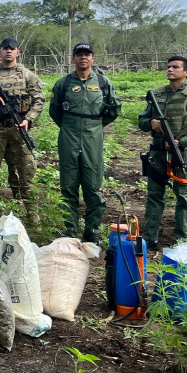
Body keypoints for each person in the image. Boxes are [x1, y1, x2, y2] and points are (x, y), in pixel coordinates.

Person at [138, 56, 187, 250]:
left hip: (183, 154)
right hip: (157, 153)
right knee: (154, 196)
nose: (170, 69)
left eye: (175, 67)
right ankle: (149, 238)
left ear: (186, 72)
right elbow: (142, 120)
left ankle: (182, 240)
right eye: (169, 66)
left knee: (184, 197)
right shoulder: (156, 94)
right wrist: (151, 123)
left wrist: (182, 142)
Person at [48, 43, 121, 242]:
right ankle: (70, 229)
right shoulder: (63, 83)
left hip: (93, 135)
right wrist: (70, 125)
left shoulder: (103, 83)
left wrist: (95, 125)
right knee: (68, 183)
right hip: (68, 133)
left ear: (92, 59)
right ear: (73, 59)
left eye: (87, 55)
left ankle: (93, 229)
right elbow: (54, 111)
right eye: (79, 55)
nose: (83, 58)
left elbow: (114, 109)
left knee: (92, 183)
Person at [0, 38, 45, 219]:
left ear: (18, 52)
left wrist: (28, 120)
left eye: (12, 49)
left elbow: (39, 100)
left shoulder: (27, 75)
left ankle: (32, 215)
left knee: (26, 172)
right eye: (5, 48)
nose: (8, 51)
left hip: (19, 129)